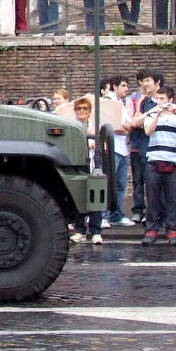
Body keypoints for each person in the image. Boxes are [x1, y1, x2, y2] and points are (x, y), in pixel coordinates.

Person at [141, 85, 176, 246]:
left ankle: (172, 229)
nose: (160, 102)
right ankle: (151, 229)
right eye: (158, 99)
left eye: (163, 99)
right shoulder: (151, 116)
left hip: (173, 163)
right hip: (154, 162)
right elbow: (148, 132)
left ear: (171, 100)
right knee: (152, 198)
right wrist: (156, 113)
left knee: (172, 199)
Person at [127, 69, 164, 226]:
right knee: (138, 181)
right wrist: (150, 113)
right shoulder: (143, 101)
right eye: (144, 80)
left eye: (148, 80)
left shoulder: (165, 100)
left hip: (157, 147)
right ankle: (138, 211)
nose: (145, 83)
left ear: (157, 83)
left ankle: (157, 213)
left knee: (156, 183)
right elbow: (134, 123)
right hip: (139, 145)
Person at [70, 96, 104, 244]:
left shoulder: (97, 126)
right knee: (79, 196)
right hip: (77, 164)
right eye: (79, 108)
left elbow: (104, 146)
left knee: (95, 197)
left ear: (90, 111)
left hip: (93, 164)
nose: (82, 111)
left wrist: (94, 141)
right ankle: (80, 230)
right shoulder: (72, 126)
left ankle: (96, 231)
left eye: (85, 108)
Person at [102, 75, 136, 226]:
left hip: (123, 149)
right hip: (111, 148)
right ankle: (103, 216)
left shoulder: (121, 104)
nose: (126, 89)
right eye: (124, 85)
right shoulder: (108, 102)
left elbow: (130, 125)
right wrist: (123, 128)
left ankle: (116, 215)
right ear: (114, 86)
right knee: (108, 182)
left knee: (120, 184)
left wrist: (124, 128)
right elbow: (111, 126)